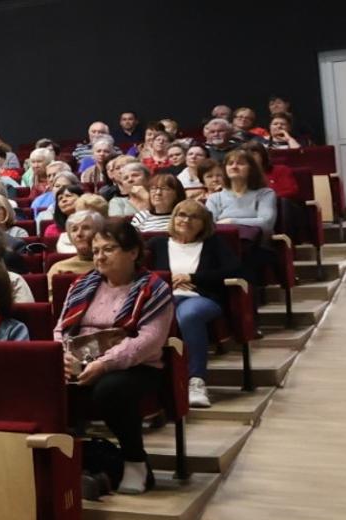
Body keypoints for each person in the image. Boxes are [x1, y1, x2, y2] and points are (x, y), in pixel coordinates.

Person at [58, 222, 175, 495]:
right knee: (37, 383)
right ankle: (69, 463)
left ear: (133, 252)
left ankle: (135, 461)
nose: (99, 256)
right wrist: (61, 355)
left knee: (109, 389)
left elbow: (148, 341)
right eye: (96, 250)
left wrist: (104, 364)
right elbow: (61, 328)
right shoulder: (82, 285)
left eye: (109, 249)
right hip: (80, 360)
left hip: (137, 366)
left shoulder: (153, 288)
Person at [150, 200, 241, 409]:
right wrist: (167, 278)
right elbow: (140, 273)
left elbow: (235, 270)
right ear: (173, 218)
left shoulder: (214, 244)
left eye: (194, 216)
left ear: (204, 223)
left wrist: (193, 278)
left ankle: (196, 382)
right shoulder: (157, 244)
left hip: (201, 299)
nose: (186, 220)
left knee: (188, 315)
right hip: (167, 298)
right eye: (181, 214)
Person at [205, 149, 277, 231]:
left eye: (240, 163)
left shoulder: (265, 194)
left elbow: (266, 223)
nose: (234, 167)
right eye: (230, 163)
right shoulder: (214, 198)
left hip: (255, 242)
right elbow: (209, 227)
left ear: (251, 169)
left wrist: (231, 222)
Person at [49, 211, 106, 275]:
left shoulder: (111, 265)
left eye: (86, 228)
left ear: (99, 232)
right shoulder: (58, 268)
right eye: (74, 230)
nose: (79, 234)